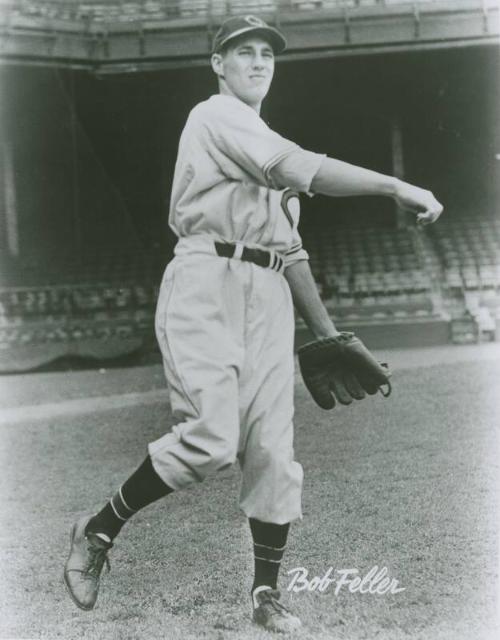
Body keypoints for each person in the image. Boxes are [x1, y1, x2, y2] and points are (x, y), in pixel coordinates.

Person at [64, 15, 443, 633]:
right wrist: (396, 186)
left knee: (273, 450)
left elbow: (289, 250)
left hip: (266, 294)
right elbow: (306, 170)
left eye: (268, 52)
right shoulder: (214, 116)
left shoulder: (261, 135)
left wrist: (324, 333)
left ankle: (266, 595)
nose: (258, 62)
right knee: (210, 440)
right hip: (206, 282)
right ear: (219, 63)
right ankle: (98, 529)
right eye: (244, 52)